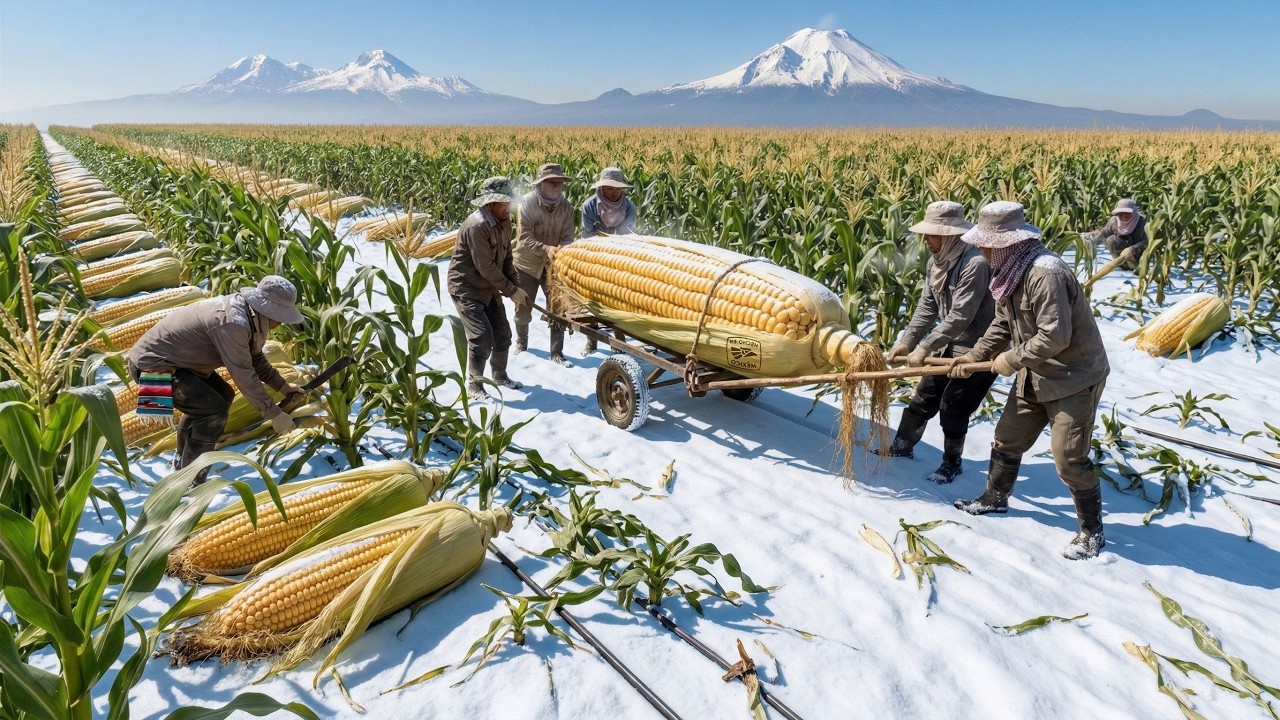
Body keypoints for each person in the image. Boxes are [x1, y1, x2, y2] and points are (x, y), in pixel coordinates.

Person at [948, 201, 1111, 560]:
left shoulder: (1045, 274)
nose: (982, 251)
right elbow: (1002, 324)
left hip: (1073, 376)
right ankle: (995, 497)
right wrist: (974, 357)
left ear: (1007, 243)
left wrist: (1008, 359)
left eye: (987, 244)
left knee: (1068, 457)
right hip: (1035, 372)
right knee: (1007, 439)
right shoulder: (1010, 272)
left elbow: (1055, 337)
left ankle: (1091, 532)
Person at [127, 275, 307, 484]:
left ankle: (181, 463)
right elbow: (244, 374)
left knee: (223, 395)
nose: (282, 322)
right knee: (213, 410)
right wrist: (273, 414)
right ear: (266, 310)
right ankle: (192, 480)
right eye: (280, 316)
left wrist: (283, 387)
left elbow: (256, 359)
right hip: (151, 368)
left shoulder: (251, 317)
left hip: (177, 363)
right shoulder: (233, 324)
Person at [880, 201, 997, 484]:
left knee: (953, 407)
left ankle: (951, 463)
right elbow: (927, 307)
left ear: (949, 235)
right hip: (947, 343)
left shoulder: (975, 263)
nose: (926, 240)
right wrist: (908, 341)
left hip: (978, 348)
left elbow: (962, 315)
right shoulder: (937, 262)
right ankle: (902, 446)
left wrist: (926, 346)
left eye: (931, 235)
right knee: (924, 397)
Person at [447, 176, 530, 399]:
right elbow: (486, 267)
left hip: (489, 287)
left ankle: (499, 376)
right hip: (467, 287)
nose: (509, 207)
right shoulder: (477, 226)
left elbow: (507, 259)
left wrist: (516, 286)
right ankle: (475, 386)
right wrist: (511, 291)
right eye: (505, 203)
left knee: (503, 334)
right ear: (491, 202)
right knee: (481, 337)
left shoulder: (504, 222)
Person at [512, 163, 576, 366]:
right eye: (551, 182)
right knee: (523, 306)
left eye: (559, 182)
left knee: (557, 308)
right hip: (527, 264)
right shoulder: (527, 204)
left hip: (554, 265)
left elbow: (568, 236)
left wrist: (563, 249)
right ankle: (521, 342)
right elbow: (524, 237)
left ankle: (557, 352)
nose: (557, 185)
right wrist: (546, 248)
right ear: (540, 184)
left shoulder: (566, 207)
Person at [579, 166, 638, 355]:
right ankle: (592, 341)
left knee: (616, 301)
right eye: (611, 188)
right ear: (602, 188)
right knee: (592, 300)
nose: (615, 192)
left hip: (618, 260)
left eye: (618, 188)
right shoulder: (590, 206)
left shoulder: (629, 207)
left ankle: (618, 342)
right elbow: (588, 236)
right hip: (593, 257)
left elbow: (628, 236)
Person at [1087, 198, 1147, 271]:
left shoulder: (1141, 223)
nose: (1124, 216)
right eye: (1121, 213)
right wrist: (1091, 243)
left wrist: (1132, 249)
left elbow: (1147, 242)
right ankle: (1122, 265)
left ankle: (1136, 266)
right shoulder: (1114, 222)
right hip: (1121, 256)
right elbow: (1103, 233)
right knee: (1112, 239)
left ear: (1134, 212)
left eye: (1127, 213)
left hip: (1139, 256)